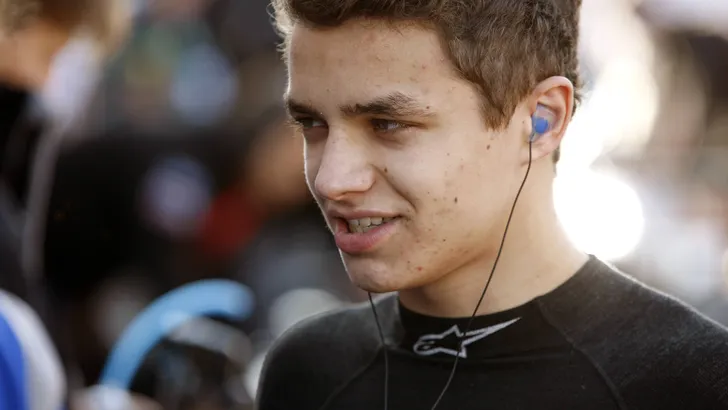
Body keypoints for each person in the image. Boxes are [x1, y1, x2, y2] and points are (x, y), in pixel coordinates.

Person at [256, 0, 728, 409]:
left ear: (542, 120)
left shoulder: (689, 384)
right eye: (312, 124)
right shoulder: (308, 372)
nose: (332, 179)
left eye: (388, 124)